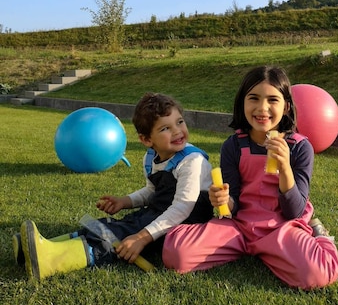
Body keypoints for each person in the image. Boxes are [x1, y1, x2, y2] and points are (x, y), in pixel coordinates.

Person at [163, 66, 338, 290]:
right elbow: (233, 205)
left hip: (280, 228)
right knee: (176, 253)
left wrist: (285, 168)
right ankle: (245, 248)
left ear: (286, 106)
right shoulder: (234, 145)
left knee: (317, 274)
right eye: (254, 98)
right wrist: (223, 200)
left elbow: (294, 210)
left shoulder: (300, 147)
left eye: (272, 100)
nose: (262, 108)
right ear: (242, 103)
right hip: (238, 227)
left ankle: (320, 235)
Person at [16, 92, 213, 281]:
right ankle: (42, 247)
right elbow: (153, 192)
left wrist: (142, 237)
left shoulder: (191, 161)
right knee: (109, 225)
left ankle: (51, 260)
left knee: (118, 236)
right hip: (158, 213)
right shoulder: (151, 157)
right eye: (165, 128)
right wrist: (125, 201)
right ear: (146, 140)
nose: (177, 131)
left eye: (179, 122)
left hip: (184, 223)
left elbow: (182, 208)